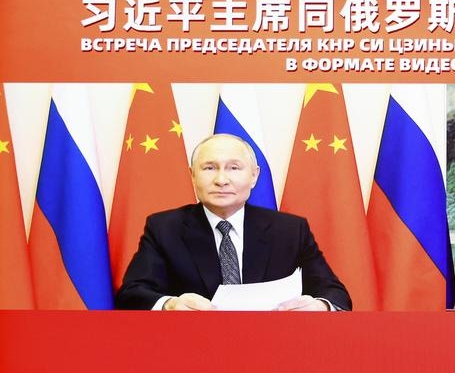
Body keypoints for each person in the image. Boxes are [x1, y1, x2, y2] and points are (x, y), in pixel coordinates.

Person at [115, 133, 351, 311]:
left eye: (234, 168)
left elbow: (335, 294)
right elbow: (132, 293)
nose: (221, 179)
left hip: (273, 349)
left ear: (254, 176)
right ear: (192, 175)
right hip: (191, 350)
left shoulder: (290, 230)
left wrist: (320, 306)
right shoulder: (165, 228)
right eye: (209, 168)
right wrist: (170, 304)